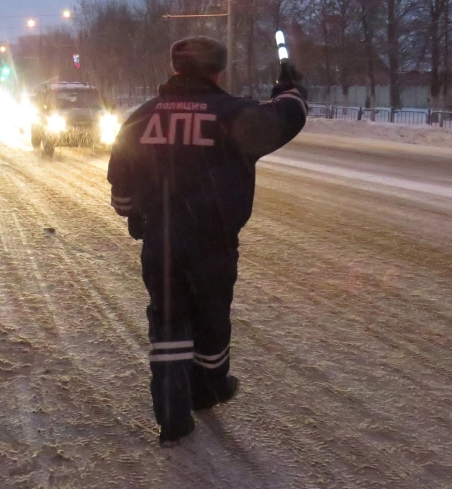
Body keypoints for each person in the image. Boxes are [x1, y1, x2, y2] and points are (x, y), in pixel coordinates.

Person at [106, 36, 308, 446]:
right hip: (213, 241)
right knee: (211, 316)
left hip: (161, 240)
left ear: (175, 68)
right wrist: (290, 87)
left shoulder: (140, 119)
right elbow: (290, 115)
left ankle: (172, 414)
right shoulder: (234, 116)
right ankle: (209, 387)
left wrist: (135, 214)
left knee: (168, 319)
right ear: (219, 71)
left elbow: (121, 190)